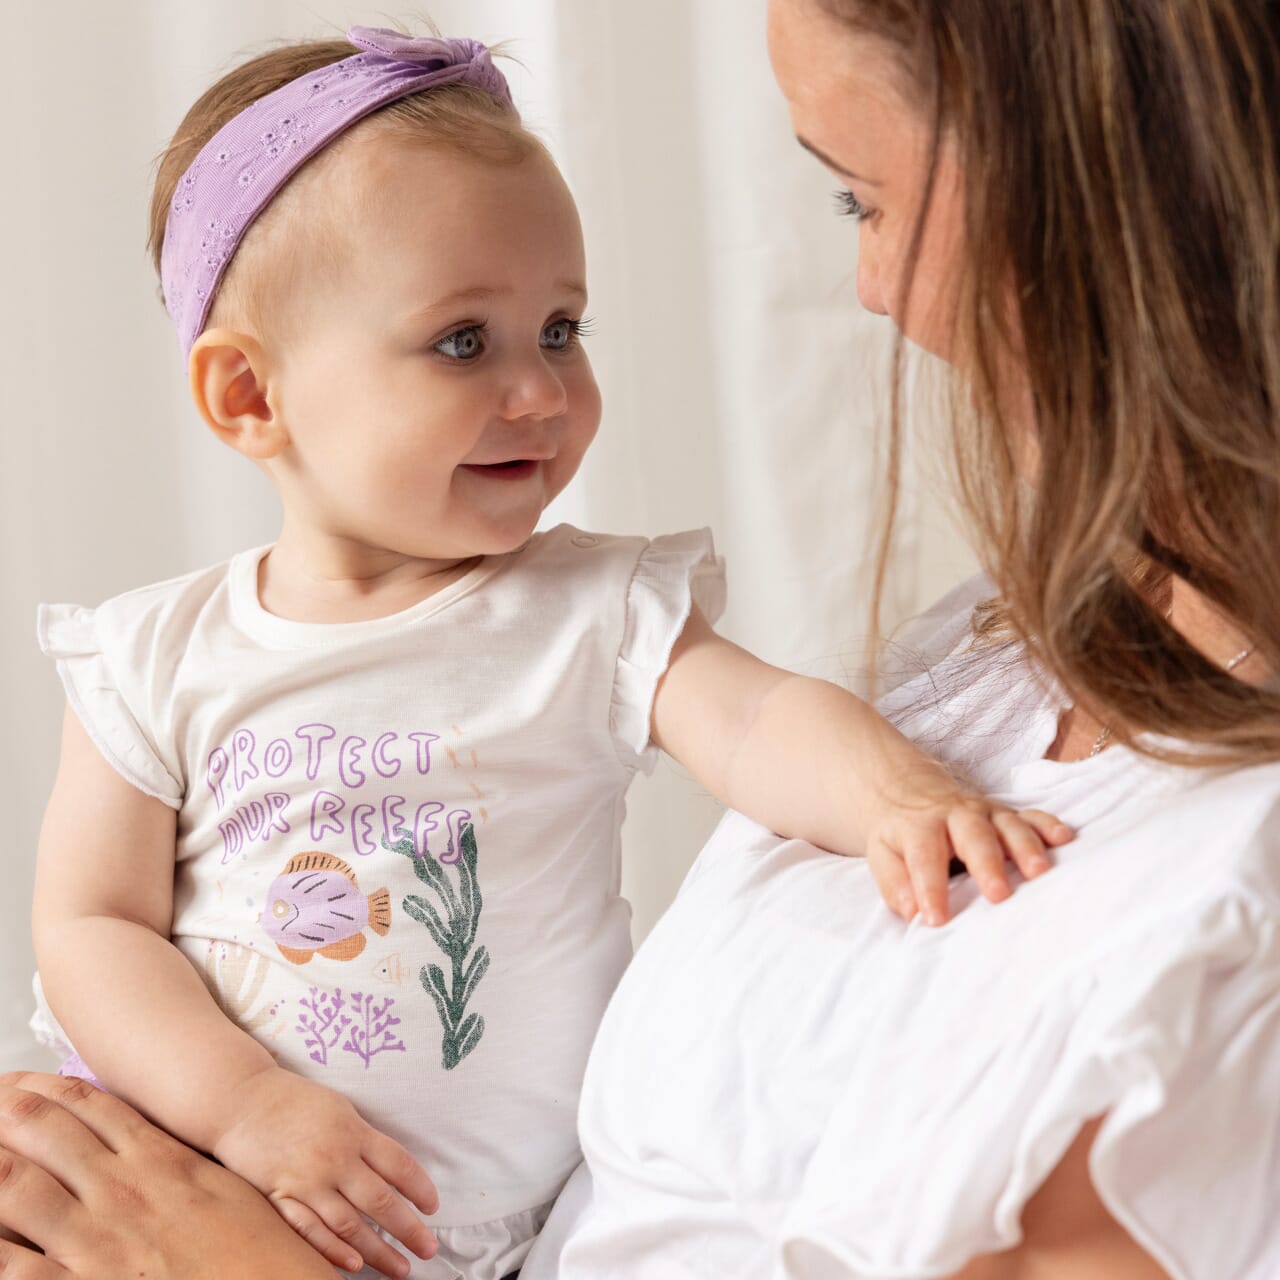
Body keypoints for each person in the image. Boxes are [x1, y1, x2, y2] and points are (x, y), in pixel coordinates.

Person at [7, 0, 1278, 1273]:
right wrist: (241, 1108)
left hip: (464, 1237)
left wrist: (893, 791)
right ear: (249, 393)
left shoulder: (586, 608)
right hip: (215, 1162)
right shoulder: (153, 656)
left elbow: (759, 717)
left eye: (561, 331)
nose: (539, 392)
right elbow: (91, 927)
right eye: (463, 342)